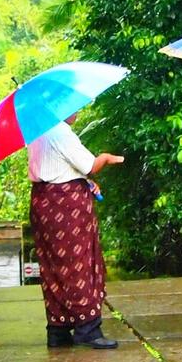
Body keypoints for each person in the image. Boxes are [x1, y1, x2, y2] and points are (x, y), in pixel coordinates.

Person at [27, 114, 124, 349]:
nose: (77, 113)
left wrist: (84, 181)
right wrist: (106, 158)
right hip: (66, 204)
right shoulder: (59, 131)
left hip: (44, 200)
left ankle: (58, 329)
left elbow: (59, 167)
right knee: (77, 263)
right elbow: (90, 165)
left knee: (53, 266)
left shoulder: (37, 130)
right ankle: (88, 327)